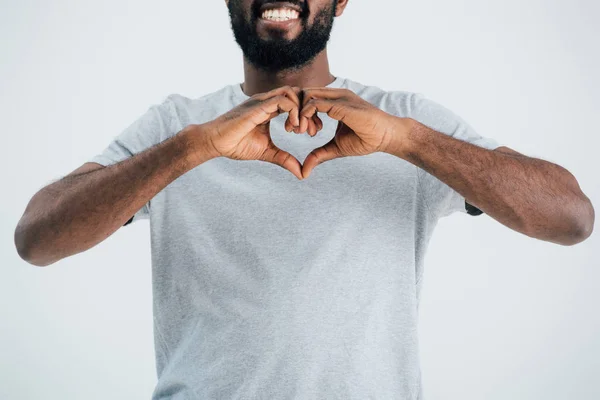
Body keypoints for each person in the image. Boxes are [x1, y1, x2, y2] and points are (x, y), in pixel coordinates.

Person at [14, 0, 595, 399]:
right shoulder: (175, 125)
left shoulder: (405, 120)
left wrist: (406, 139)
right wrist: (192, 149)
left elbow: (571, 218)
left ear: (341, 1)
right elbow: (36, 239)